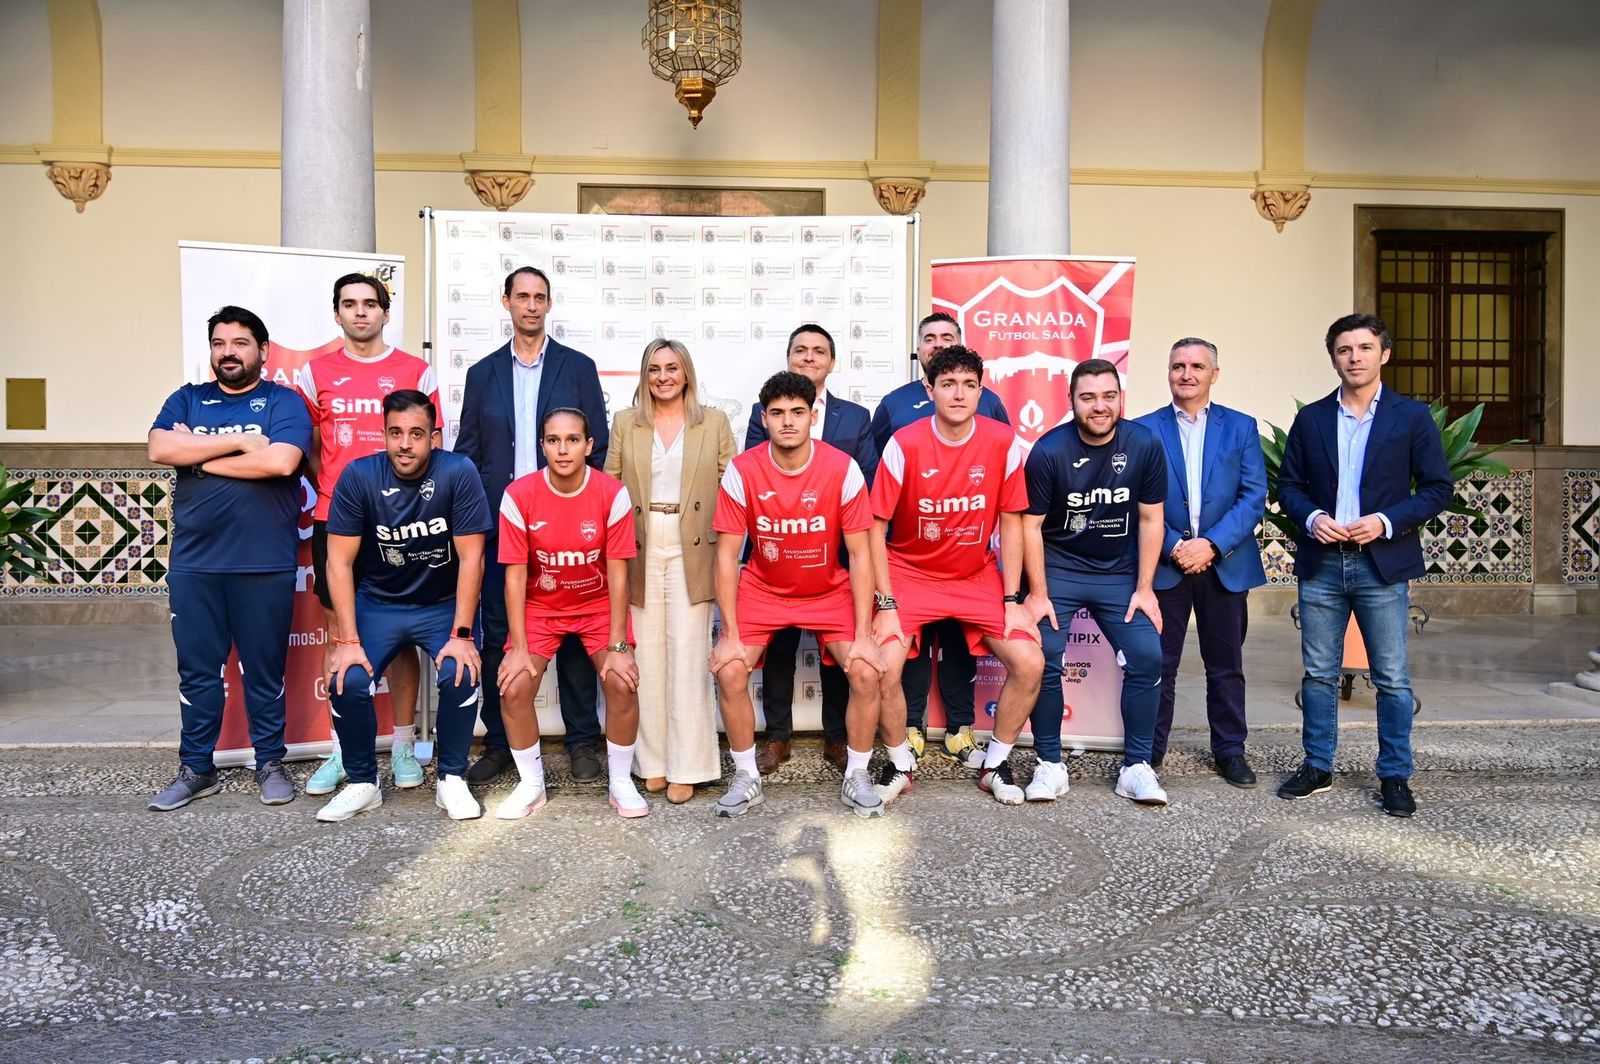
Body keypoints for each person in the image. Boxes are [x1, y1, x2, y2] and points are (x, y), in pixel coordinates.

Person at [1275, 313, 1451, 818]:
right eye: (1344, 349)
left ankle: (1394, 774)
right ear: (1333, 358)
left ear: (1384, 355)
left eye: (1364, 348)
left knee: (1392, 677)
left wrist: (1385, 521)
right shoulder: (1311, 419)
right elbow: (1289, 486)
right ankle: (1317, 766)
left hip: (1381, 565)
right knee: (1319, 674)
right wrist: (1311, 518)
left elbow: (1438, 488)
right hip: (1323, 564)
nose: (1354, 357)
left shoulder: (1411, 418)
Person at [146, 305, 311, 810]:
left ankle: (270, 763)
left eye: (240, 343)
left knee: (263, 671)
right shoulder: (187, 399)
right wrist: (239, 443)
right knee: (197, 671)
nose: (228, 352)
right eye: (220, 343)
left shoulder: (285, 402)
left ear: (262, 351)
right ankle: (197, 767)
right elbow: (158, 448)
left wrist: (199, 455)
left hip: (263, 562)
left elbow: (282, 460)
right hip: (196, 564)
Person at [988, 358, 1169, 806]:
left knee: (1147, 656)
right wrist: (1039, 592)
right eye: (1088, 397)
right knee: (1045, 655)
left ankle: (1136, 767)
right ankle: (1051, 764)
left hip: (1118, 573)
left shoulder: (1144, 443)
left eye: (1108, 396)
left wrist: (1145, 587)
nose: (1099, 406)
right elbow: (1030, 526)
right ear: (1071, 401)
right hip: (1060, 570)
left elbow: (1151, 518)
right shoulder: (1049, 451)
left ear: (1120, 398)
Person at [709, 371, 889, 818]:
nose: (787, 421)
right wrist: (729, 633)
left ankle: (858, 776)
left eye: (797, 412)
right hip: (764, 589)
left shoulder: (841, 468)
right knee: (730, 669)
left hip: (827, 590)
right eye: (777, 413)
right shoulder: (742, 469)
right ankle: (747, 776)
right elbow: (727, 555)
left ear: (813, 416)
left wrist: (866, 631)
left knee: (866, 669)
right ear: (764, 419)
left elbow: (861, 554)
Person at [868, 347, 1044, 804]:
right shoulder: (903, 443)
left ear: (981, 390)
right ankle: (899, 766)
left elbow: (1011, 519)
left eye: (968, 385)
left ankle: (996, 764)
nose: (959, 394)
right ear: (930, 391)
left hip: (974, 575)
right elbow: (876, 528)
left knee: (1030, 662)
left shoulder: (1002, 441)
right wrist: (885, 604)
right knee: (883, 667)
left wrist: (1011, 599)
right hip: (909, 574)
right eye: (948, 384)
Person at [455, 266, 610, 786]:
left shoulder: (578, 367)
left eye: (540, 297)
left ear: (549, 304)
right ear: (506, 303)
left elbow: (599, 444)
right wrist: (486, 516)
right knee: (501, 634)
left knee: (572, 635)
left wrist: (575, 505)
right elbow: (469, 454)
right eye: (522, 296)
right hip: (507, 528)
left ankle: (582, 739)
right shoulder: (483, 374)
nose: (531, 305)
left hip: (567, 526)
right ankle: (500, 742)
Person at [318, 391, 493, 822]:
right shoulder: (359, 476)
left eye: (416, 434)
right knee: (347, 676)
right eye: (395, 433)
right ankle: (363, 782)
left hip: (442, 603)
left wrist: (462, 635)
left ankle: (452, 779)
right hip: (379, 603)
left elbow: (473, 556)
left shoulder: (458, 472)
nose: (405, 444)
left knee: (461, 668)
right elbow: (337, 562)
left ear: (434, 437)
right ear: (384, 435)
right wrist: (347, 640)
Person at [296, 272, 439, 797]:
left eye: (370, 304)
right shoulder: (315, 374)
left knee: (400, 635)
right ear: (336, 313)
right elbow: (307, 446)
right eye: (349, 304)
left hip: (401, 521)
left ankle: (403, 746)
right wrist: (334, 490)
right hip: (336, 519)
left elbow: (431, 445)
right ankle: (343, 750)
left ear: (385, 312)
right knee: (341, 637)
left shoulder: (415, 372)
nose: (360, 313)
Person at [496, 408, 649, 820]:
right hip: (541, 608)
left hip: (597, 605)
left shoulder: (612, 493)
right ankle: (532, 785)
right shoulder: (519, 495)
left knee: (621, 681)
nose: (563, 449)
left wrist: (618, 645)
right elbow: (514, 576)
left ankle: (620, 782)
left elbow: (619, 575)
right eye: (553, 440)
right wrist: (519, 648)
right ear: (542, 445)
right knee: (513, 686)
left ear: (588, 444)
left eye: (572, 440)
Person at [741, 324, 877, 775]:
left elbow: (867, 483)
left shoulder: (855, 417)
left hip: (835, 552)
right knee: (777, 648)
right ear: (788, 356)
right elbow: (755, 477)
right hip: (777, 551)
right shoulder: (766, 414)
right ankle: (776, 736)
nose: (809, 357)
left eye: (819, 351)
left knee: (840, 657)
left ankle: (838, 738)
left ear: (832, 362)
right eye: (800, 349)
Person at [1133, 338, 1267, 787]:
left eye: (1196, 366)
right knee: (1158, 664)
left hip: (1224, 564)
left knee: (1225, 665)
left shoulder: (1241, 427)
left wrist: (1210, 544)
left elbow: (1253, 498)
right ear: (1168, 372)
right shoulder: (1143, 430)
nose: (1186, 374)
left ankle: (1230, 750)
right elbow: (1136, 499)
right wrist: (1175, 545)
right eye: (1177, 366)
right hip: (1166, 565)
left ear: (1215, 374)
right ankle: (1148, 755)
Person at [605, 339, 734, 805]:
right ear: (645, 375)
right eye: (654, 369)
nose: (663, 376)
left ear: (686, 373)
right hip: (639, 543)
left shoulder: (713, 422)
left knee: (687, 653)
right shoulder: (625, 422)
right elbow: (611, 485)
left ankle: (689, 766)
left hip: (693, 543)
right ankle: (652, 763)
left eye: (672, 368)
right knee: (649, 655)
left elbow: (732, 487)